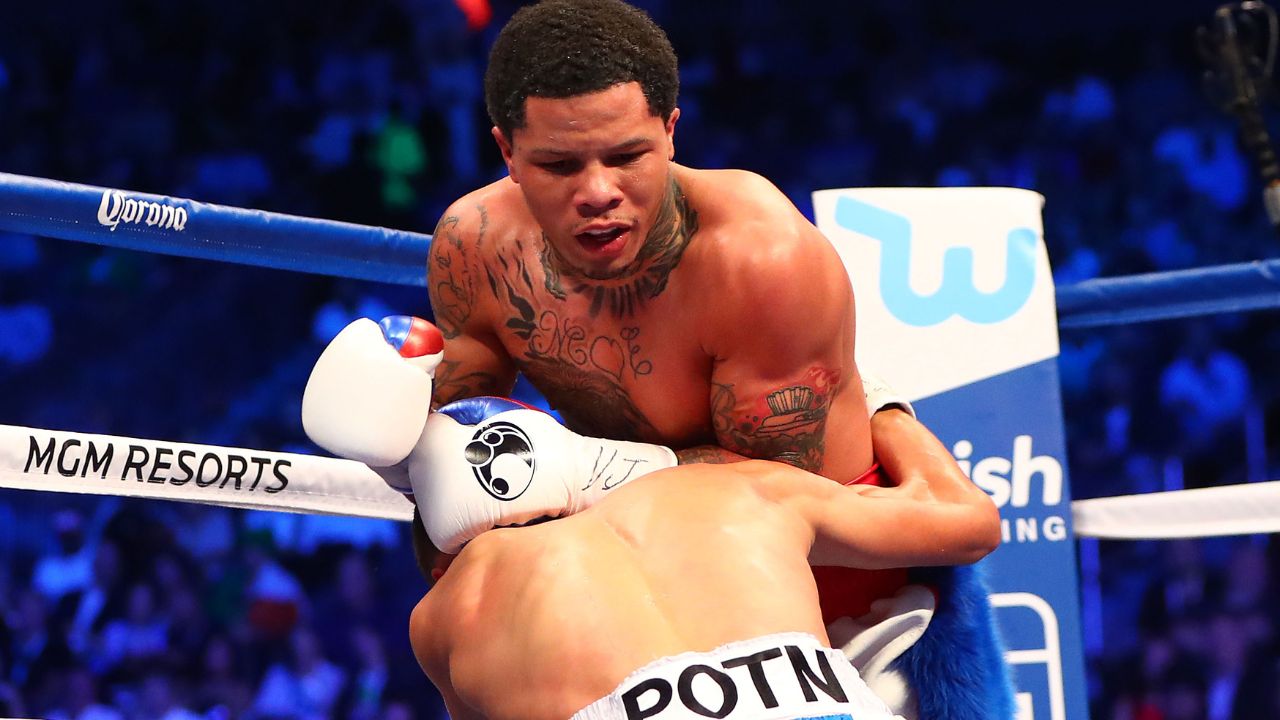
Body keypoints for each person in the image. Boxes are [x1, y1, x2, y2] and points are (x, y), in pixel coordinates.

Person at [302, 0, 1009, 715]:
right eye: (559, 164)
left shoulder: (756, 260)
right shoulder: (477, 248)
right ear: (507, 151)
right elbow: (470, 489)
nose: (598, 192)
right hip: (633, 611)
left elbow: (771, 499)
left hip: (849, 593)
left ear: (670, 132)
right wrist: (406, 449)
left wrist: (581, 471)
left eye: (627, 155)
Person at [407, 407, 999, 720]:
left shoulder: (448, 607)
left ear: (440, 563)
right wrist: (883, 409)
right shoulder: (738, 488)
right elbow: (968, 522)